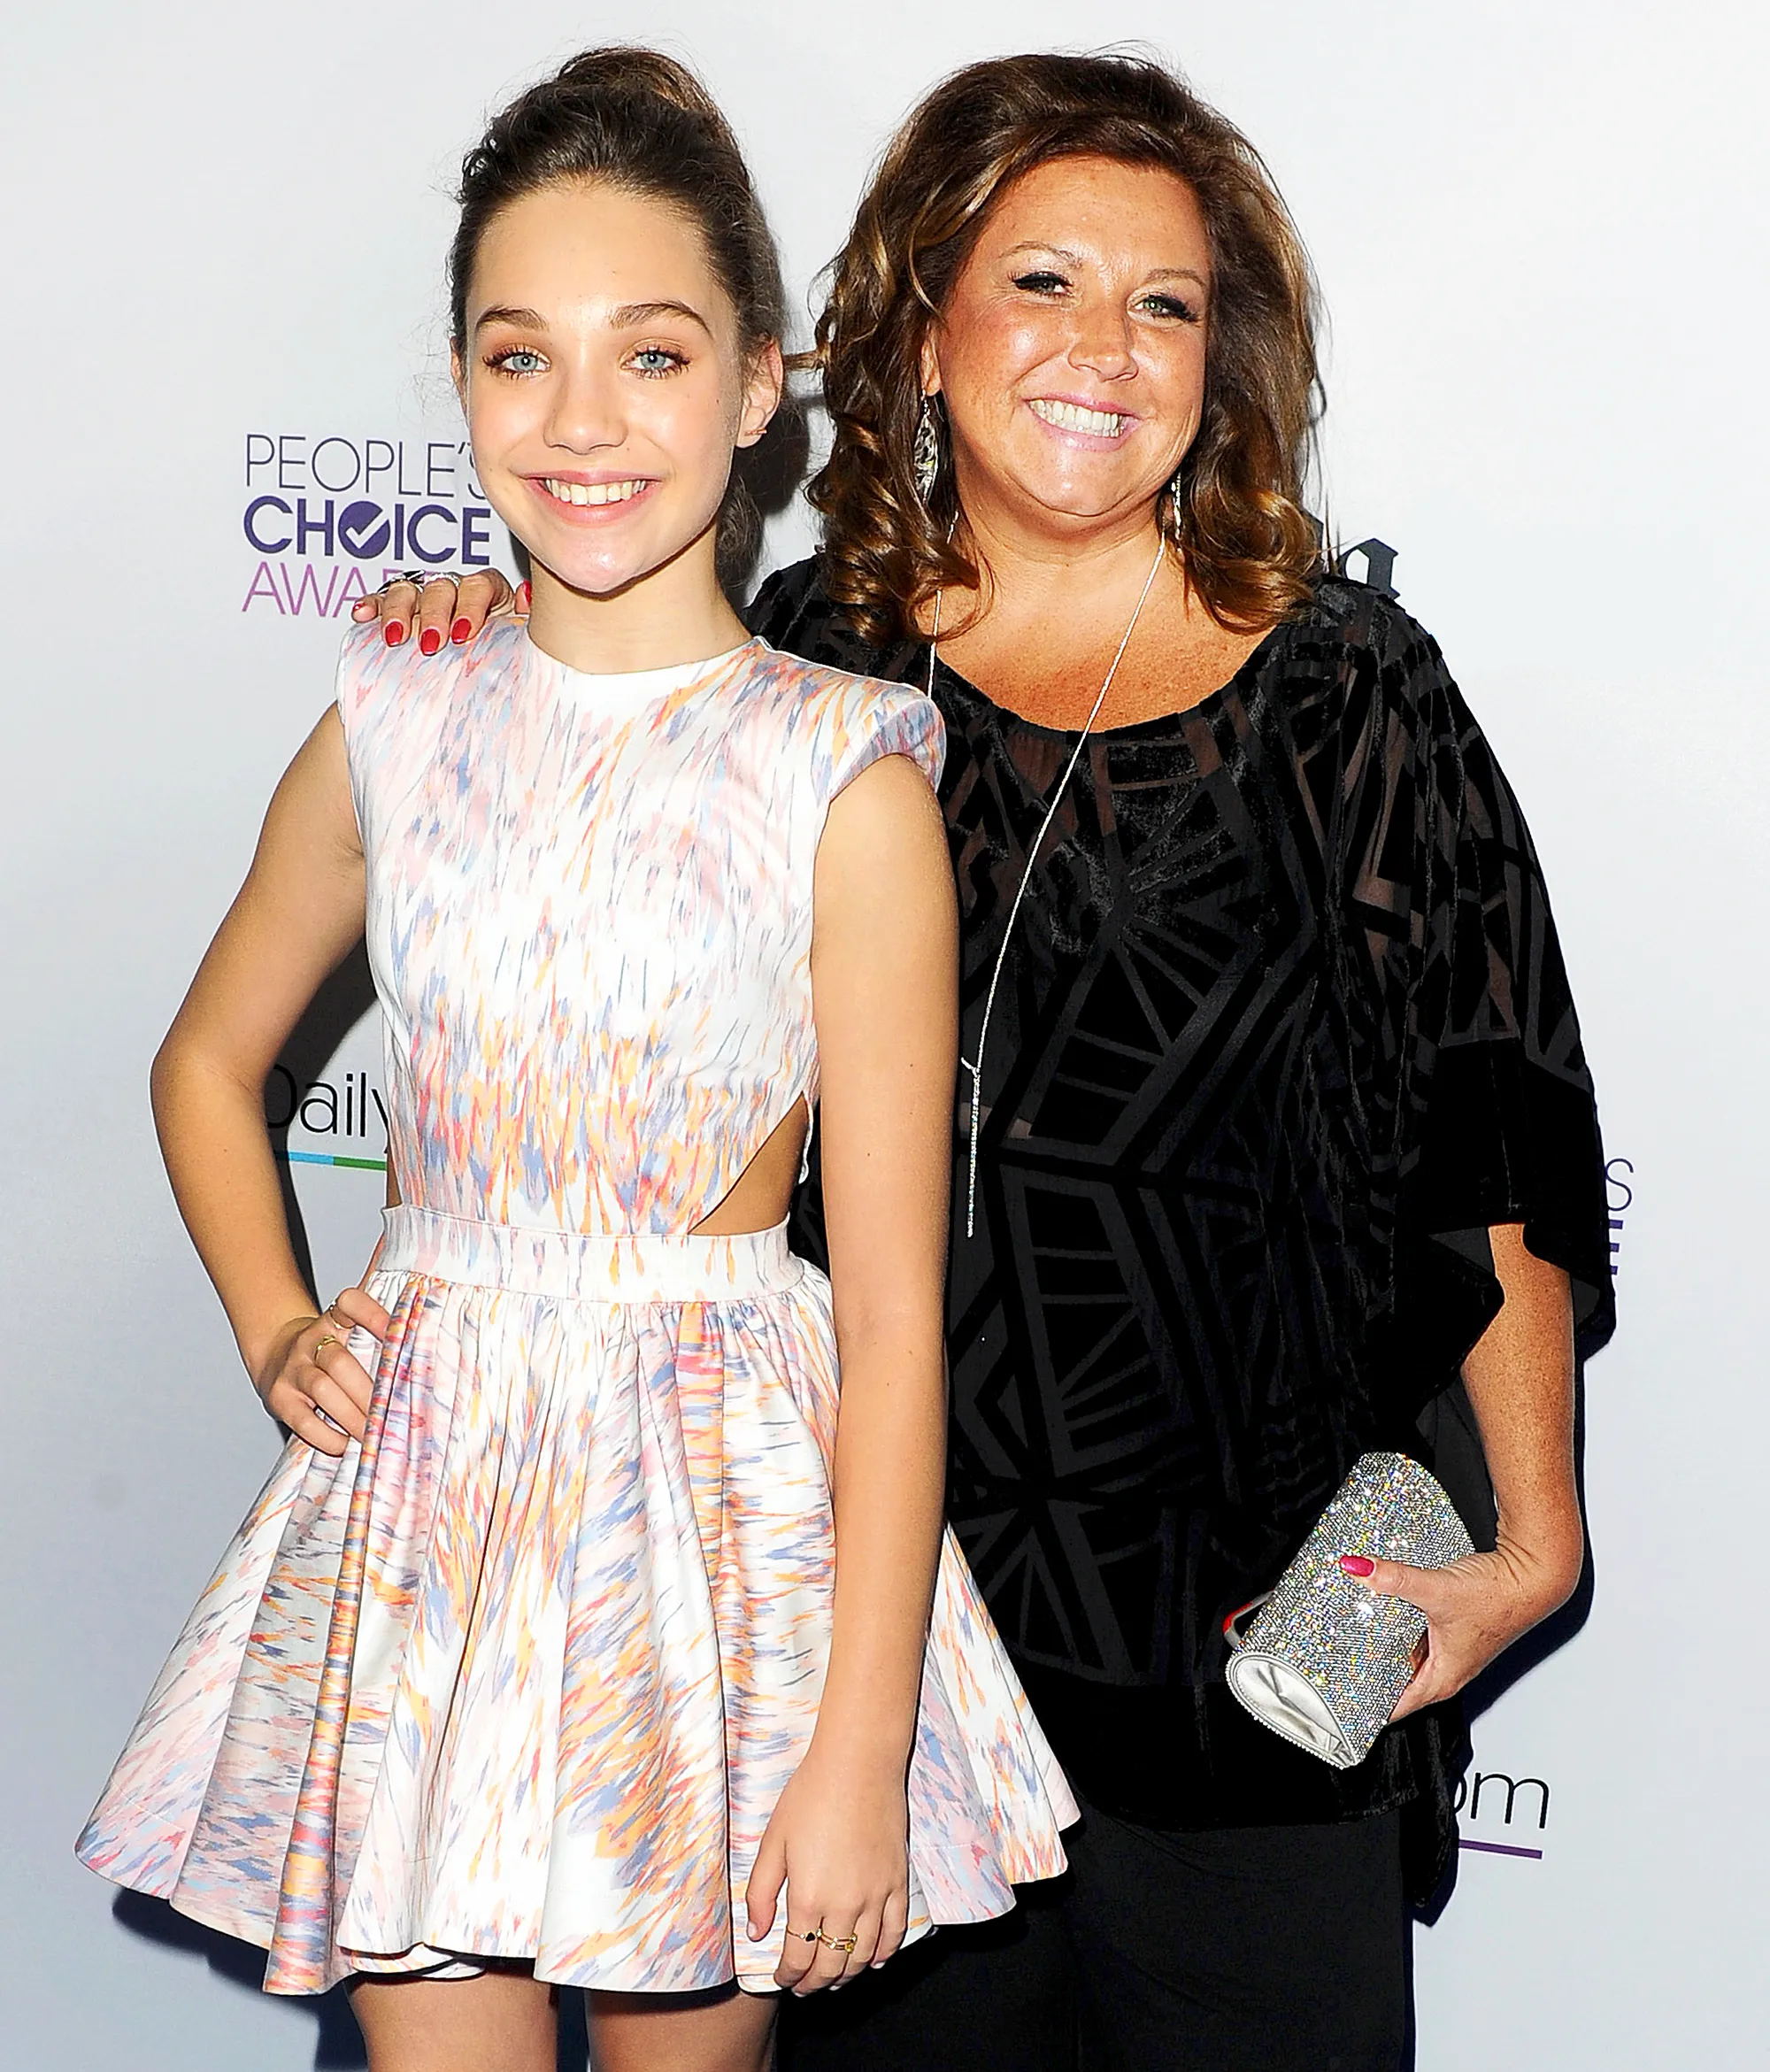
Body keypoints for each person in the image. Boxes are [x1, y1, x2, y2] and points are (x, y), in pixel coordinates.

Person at [351, 50, 1613, 2072]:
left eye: (1167, 302)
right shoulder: (793, 668)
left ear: (1226, 360)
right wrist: (471, 629)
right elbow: (567, 779)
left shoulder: (1352, 693)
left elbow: (1489, 1124)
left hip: (1251, 1677)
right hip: (865, 1658)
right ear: (917, 326)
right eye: (1039, 284)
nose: (1104, 349)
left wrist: (1531, 1541)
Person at [75, 49, 1074, 2072]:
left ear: (761, 382)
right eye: (520, 358)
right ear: (459, 384)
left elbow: (891, 1318)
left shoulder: (839, 773)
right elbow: (204, 1064)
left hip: (709, 1545)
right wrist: (279, 1326)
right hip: (426, 1529)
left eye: (652, 354)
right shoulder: (398, 708)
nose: (584, 422)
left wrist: (857, 1745)